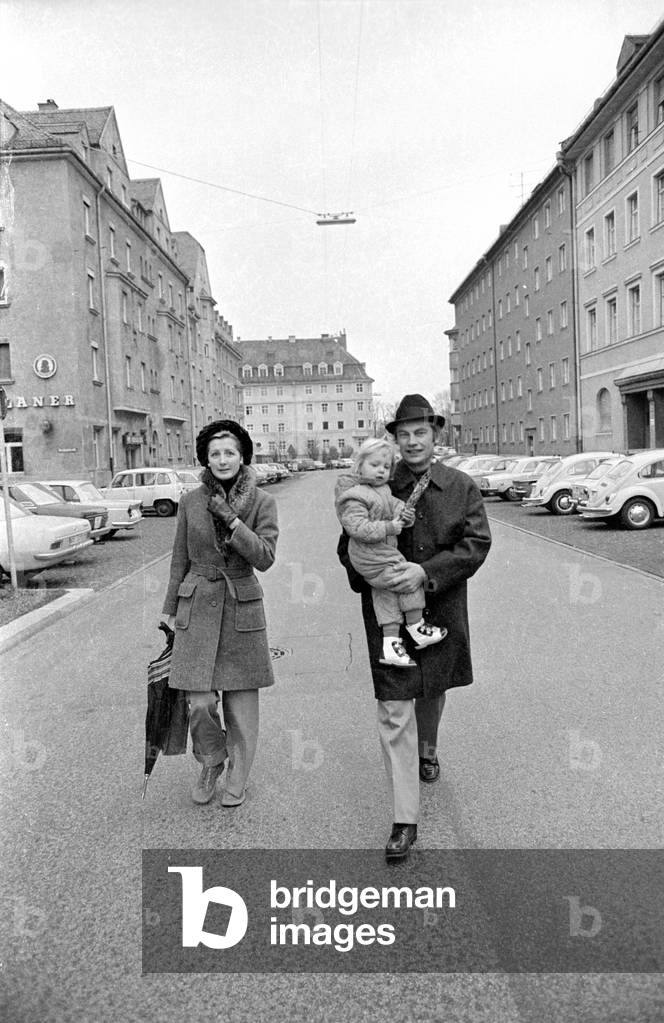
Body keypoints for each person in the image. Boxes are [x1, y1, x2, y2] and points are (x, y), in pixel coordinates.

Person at [337, 395, 491, 862]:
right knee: (394, 704)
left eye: (419, 433)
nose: (411, 442)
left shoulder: (460, 486)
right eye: (403, 435)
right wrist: (373, 573)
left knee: (432, 689)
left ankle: (429, 747)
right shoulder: (377, 481)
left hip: (439, 605)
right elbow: (347, 547)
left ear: (435, 435)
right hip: (386, 608)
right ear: (395, 441)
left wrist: (427, 573)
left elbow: (477, 543)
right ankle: (405, 819)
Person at [161, 420, 278, 807]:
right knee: (199, 702)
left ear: (242, 455)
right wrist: (169, 610)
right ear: (205, 460)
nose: (223, 460)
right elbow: (179, 558)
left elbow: (265, 557)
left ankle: (238, 776)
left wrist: (232, 520)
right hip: (196, 606)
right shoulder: (190, 501)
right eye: (215, 454)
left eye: (229, 452)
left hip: (241, 603)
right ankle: (212, 760)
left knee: (241, 706)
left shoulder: (262, 502)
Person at [334, 437, 447, 668]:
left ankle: (391, 645)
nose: (380, 471)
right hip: (369, 554)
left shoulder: (381, 489)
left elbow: (393, 505)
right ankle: (416, 627)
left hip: (379, 553)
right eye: (374, 465)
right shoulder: (353, 495)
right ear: (359, 465)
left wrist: (405, 516)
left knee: (386, 593)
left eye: (386, 467)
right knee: (405, 577)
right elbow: (356, 528)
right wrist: (388, 527)